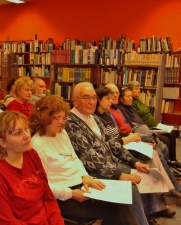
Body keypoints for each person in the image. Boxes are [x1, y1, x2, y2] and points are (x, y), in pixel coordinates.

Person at [65, 82, 171, 225]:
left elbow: (112, 142)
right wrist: (122, 176)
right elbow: (90, 159)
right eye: (86, 97)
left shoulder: (93, 117)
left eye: (94, 98)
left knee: (144, 173)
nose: (91, 102)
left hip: (112, 164)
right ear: (75, 100)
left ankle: (147, 214)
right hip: (96, 173)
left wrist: (135, 162)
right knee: (131, 187)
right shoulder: (72, 123)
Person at [30, 95, 139, 225]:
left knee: (120, 200)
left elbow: (75, 158)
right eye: (57, 118)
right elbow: (43, 186)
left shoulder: (62, 134)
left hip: (81, 185)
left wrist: (84, 176)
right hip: (62, 197)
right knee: (116, 209)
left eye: (63, 117)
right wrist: (71, 193)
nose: (61, 121)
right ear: (44, 117)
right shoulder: (36, 145)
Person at [95, 86, 181, 205]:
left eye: (115, 94)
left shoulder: (107, 114)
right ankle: (167, 190)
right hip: (118, 150)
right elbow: (110, 141)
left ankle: (168, 189)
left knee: (155, 152)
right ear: (99, 100)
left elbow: (118, 132)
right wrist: (131, 138)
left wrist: (134, 137)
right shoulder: (98, 118)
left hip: (124, 143)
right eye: (108, 98)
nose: (112, 99)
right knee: (150, 160)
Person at [0, 111, 64, 225]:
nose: (27, 135)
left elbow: (47, 197)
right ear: (2, 142)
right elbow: (5, 222)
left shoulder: (31, 154)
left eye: (26, 129)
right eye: (18, 133)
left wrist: (57, 222)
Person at [106, 83, 170, 161]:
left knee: (163, 148)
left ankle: (166, 165)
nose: (115, 95)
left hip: (133, 134)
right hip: (127, 140)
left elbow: (130, 126)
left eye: (117, 93)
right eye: (112, 93)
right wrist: (137, 138)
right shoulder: (110, 112)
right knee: (157, 153)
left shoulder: (118, 109)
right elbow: (117, 134)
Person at [127, 81, 180, 167]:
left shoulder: (138, 100)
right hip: (149, 128)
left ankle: (172, 159)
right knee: (168, 137)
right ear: (130, 91)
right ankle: (168, 161)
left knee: (173, 133)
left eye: (139, 89)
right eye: (136, 89)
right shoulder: (132, 103)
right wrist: (151, 132)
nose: (139, 91)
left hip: (153, 126)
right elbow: (137, 121)